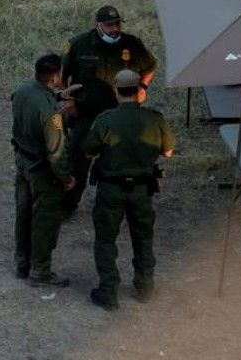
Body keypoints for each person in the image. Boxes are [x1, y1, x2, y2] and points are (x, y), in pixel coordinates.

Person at [81, 69, 175, 311]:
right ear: (139, 91)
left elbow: (87, 151)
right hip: (142, 189)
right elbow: (168, 151)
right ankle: (144, 287)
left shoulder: (106, 119)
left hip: (111, 189)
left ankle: (109, 291)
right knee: (143, 236)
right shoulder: (155, 118)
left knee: (106, 239)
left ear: (116, 90)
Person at [60, 5, 157, 217]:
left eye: (117, 24)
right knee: (77, 158)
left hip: (119, 115)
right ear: (98, 25)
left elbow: (149, 67)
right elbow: (61, 76)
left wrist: (143, 87)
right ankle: (68, 204)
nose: (115, 29)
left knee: (121, 161)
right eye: (109, 25)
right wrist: (66, 100)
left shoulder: (131, 44)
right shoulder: (79, 45)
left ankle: (120, 205)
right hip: (87, 114)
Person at [12, 53, 82, 288]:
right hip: (42, 171)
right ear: (54, 77)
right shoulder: (52, 114)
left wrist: (58, 96)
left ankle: (22, 264)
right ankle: (40, 270)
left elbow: (33, 101)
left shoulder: (23, 89)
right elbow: (56, 152)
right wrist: (66, 178)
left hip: (22, 161)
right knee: (45, 220)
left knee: (23, 214)